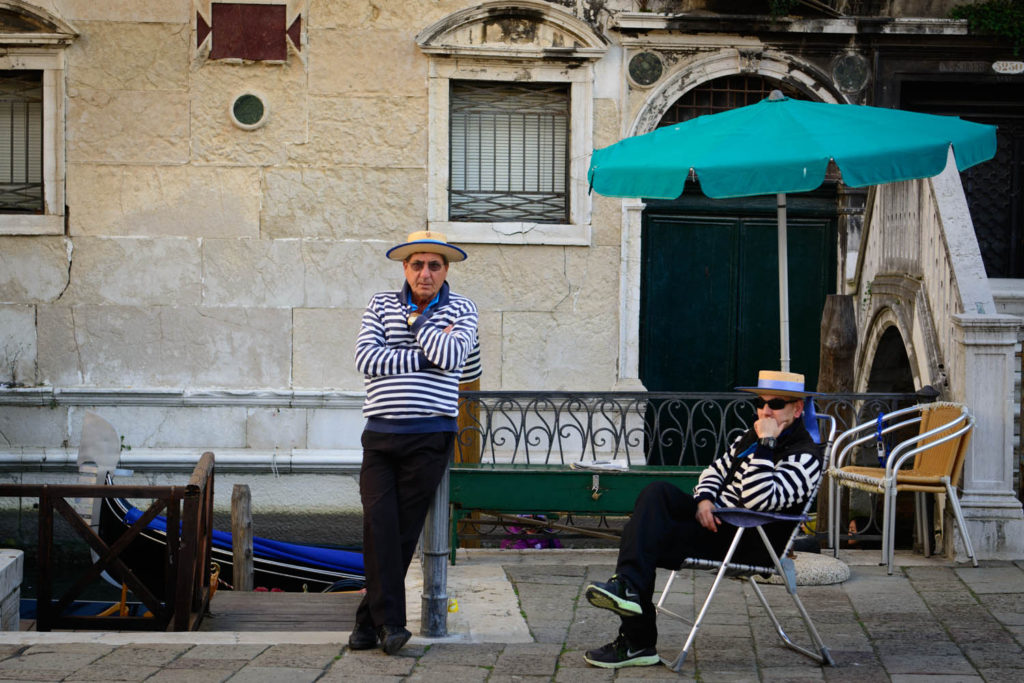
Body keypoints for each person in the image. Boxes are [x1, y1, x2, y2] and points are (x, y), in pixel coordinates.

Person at [582, 370, 823, 669]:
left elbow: (758, 499)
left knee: (641, 535)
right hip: (715, 524)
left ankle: (636, 638)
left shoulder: (805, 457)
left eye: (775, 404)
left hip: (746, 540)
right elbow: (713, 471)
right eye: (760, 404)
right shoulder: (748, 437)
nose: (765, 411)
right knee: (656, 493)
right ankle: (628, 593)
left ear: (797, 409)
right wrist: (705, 499)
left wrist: (766, 445)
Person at [349, 230, 480, 655]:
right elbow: (366, 359)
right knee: (378, 524)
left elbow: (454, 359)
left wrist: (417, 324)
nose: (425, 273)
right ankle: (383, 625)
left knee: (402, 533)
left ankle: (375, 626)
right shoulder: (380, 303)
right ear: (405, 268)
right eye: (417, 265)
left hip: (429, 435)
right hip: (380, 433)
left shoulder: (463, 308)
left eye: (434, 265)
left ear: (445, 271)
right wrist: (425, 352)